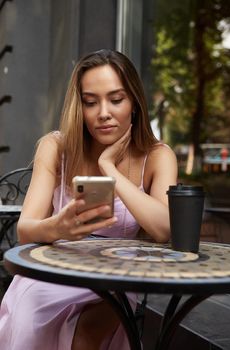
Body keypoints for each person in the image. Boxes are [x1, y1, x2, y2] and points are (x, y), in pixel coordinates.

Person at [0, 49, 177, 350]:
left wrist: (110, 168)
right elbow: (24, 231)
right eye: (90, 102)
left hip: (116, 280)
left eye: (116, 99)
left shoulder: (158, 156)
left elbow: (163, 229)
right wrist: (59, 228)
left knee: (85, 339)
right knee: (29, 320)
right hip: (53, 272)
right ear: (79, 106)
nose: (103, 112)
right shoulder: (55, 147)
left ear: (134, 102)